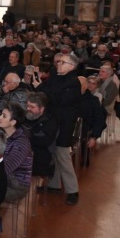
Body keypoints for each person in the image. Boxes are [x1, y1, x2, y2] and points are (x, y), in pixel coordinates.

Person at [34, 53, 82, 205]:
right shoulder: (56, 76)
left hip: (64, 125)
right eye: (58, 61)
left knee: (63, 156)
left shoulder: (74, 82)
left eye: (62, 62)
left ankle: (73, 191)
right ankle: (54, 184)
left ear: (71, 66)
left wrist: (40, 87)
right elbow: (47, 93)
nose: (58, 64)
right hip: (53, 123)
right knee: (52, 153)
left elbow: (59, 100)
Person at [0, 102, 32, 202]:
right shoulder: (3, 135)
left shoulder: (21, 143)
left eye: (4, 116)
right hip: (3, 179)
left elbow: (5, 169)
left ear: (13, 122)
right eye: (1, 114)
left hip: (16, 185)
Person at [24, 92, 58, 178]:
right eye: (27, 106)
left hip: (42, 157)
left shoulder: (50, 121)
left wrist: (27, 136)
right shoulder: (25, 118)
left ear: (42, 109)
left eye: (32, 107)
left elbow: (45, 141)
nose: (28, 109)